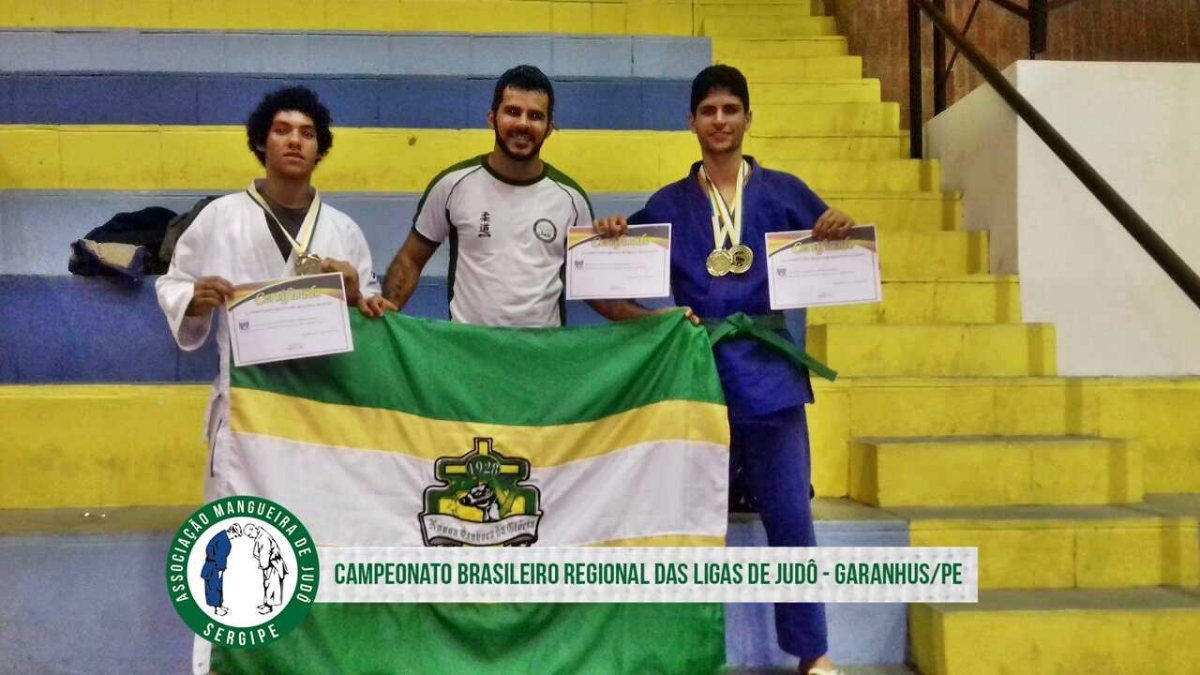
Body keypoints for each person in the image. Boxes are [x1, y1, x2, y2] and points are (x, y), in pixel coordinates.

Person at [592, 65, 854, 675]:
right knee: (680, 519)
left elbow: (836, 253)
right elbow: (607, 284)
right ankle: (677, 649)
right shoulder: (667, 203)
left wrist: (835, 227)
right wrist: (613, 240)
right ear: (691, 121)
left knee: (790, 514)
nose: (719, 121)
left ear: (747, 118)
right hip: (695, 376)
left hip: (768, 372)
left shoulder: (786, 190)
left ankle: (813, 653)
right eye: (708, 111)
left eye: (730, 109)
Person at [156, 86, 395, 500]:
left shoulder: (343, 229)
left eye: (306, 133)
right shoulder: (220, 217)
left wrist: (359, 294)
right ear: (260, 143)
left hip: (320, 403)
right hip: (248, 401)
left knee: (317, 521)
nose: (294, 141)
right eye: (282, 130)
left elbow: (369, 306)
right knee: (243, 527)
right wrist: (192, 299)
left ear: (319, 149)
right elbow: (172, 283)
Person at [384, 65, 619, 327]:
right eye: (512, 111)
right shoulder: (452, 185)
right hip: (469, 356)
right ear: (492, 118)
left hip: (543, 359)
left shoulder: (571, 199)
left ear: (549, 128)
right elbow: (409, 261)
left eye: (535, 116)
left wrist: (653, 321)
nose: (522, 124)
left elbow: (596, 291)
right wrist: (383, 318)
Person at [242, 524, 288, 615]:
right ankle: (266, 603)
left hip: (273, 565)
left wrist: (263, 566)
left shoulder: (263, 538)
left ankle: (269, 607)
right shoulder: (259, 536)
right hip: (268, 565)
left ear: (253, 529)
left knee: (272, 585)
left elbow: (264, 554)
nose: (251, 537)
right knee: (266, 585)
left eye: (250, 535)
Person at [199, 524, 242, 616]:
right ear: (231, 531)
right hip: (214, 567)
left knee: (217, 586)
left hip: (214, 565)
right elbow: (220, 557)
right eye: (235, 535)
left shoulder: (222, 536)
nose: (234, 537)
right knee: (215, 587)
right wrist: (220, 570)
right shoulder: (223, 541)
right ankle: (217, 608)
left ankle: (219, 604)